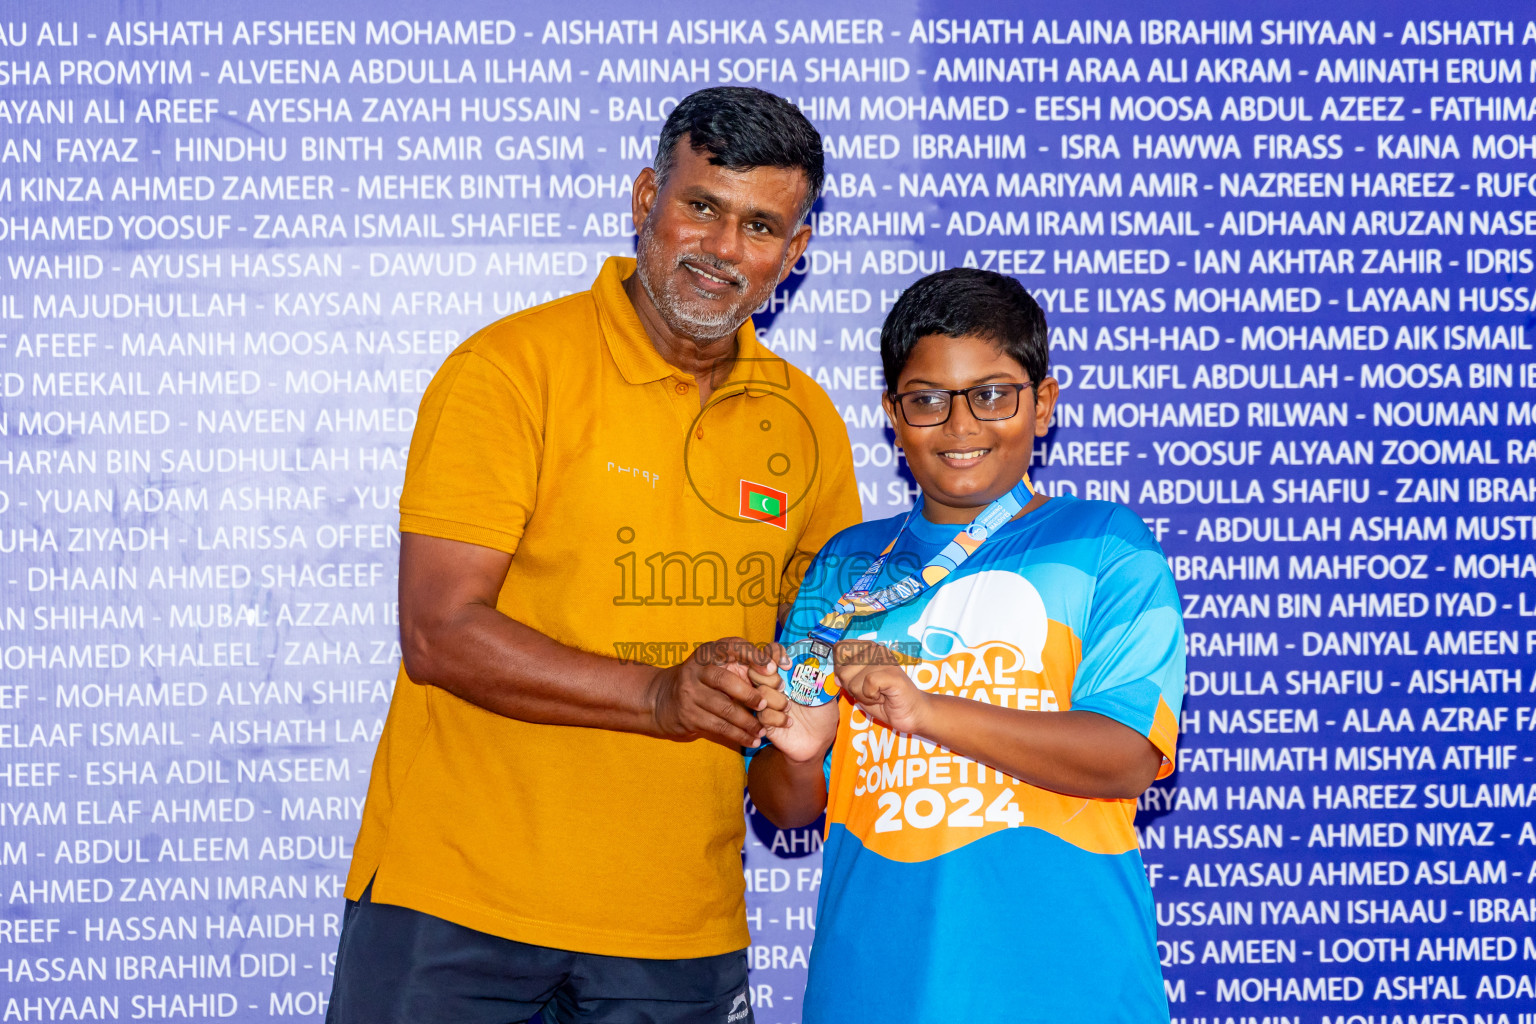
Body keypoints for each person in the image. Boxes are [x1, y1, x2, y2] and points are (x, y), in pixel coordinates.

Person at [327, 87, 861, 1024]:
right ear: (645, 197)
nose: (724, 250)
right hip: (455, 907)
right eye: (701, 207)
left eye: (761, 225)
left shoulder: (808, 421)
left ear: (796, 250)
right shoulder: (508, 370)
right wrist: (660, 696)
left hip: (679, 932)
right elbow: (438, 632)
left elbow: (807, 681)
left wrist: (804, 723)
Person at [747, 268, 1185, 1023]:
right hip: (872, 989)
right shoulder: (846, 565)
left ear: (1042, 404)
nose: (960, 426)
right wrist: (793, 751)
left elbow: (1126, 756)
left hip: (1064, 988)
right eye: (927, 400)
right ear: (892, 412)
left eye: (991, 394)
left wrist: (925, 711)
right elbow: (784, 812)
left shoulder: (1105, 544)